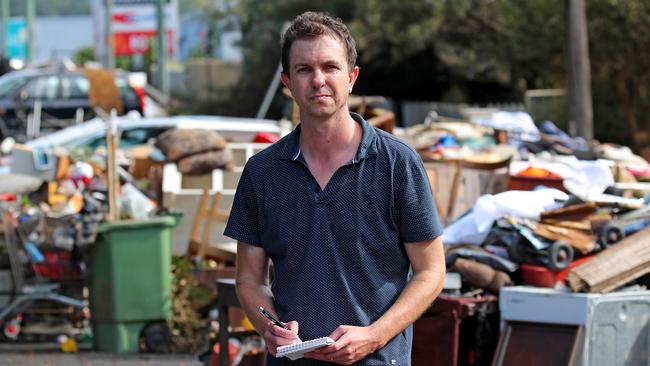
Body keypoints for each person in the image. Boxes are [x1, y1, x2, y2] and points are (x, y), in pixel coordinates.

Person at [224, 11, 445, 365]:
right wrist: (270, 327)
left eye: (330, 67)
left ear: (352, 77)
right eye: (304, 69)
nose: (318, 80)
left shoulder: (397, 164)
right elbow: (249, 279)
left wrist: (374, 337)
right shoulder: (262, 173)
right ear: (287, 81)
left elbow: (431, 272)